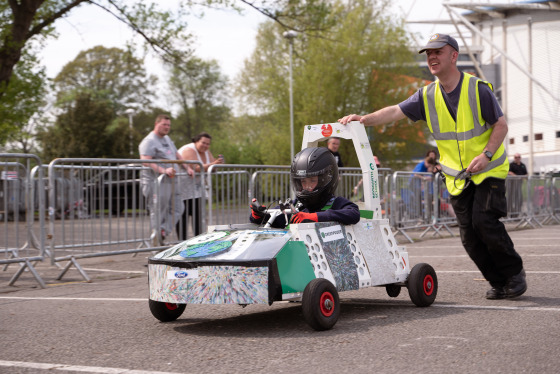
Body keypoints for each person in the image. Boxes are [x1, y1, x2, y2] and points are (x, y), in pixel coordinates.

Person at [339, 33, 526, 300]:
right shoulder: (427, 95)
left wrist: (485, 155)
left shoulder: (477, 89)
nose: (432, 57)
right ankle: (499, 282)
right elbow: (395, 111)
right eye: (428, 54)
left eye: (438, 52)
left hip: (488, 171)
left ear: (453, 56)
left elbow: (501, 125)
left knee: (484, 222)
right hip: (458, 177)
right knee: (469, 238)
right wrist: (363, 119)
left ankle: (515, 274)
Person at [250, 147, 360, 228]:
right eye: (303, 181)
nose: (307, 186)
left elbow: (353, 214)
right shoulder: (297, 206)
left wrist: (314, 217)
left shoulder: (335, 203)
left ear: (325, 180)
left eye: (312, 180)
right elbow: (273, 217)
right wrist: (259, 215)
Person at [139, 114, 193, 245]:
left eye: (168, 125)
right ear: (156, 124)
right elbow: (145, 161)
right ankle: (155, 240)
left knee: (179, 207)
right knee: (158, 211)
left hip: (171, 180)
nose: (167, 127)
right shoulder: (149, 141)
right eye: (164, 124)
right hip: (156, 181)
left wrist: (187, 167)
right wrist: (164, 171)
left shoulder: (167, 138)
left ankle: (162, 231)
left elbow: (176, 154)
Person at [176, 132, 224, 239]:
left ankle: (198, 240)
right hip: (182, 188)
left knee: (198, 216)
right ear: (196, 141)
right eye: (203, 143)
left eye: (208, 144)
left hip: (196, 189)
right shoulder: (189, 150)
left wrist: (217, 164)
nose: (205, 146)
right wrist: (213, 164)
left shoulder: (206, 151)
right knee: (183, 216)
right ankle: (181, 242)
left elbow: (212, 166)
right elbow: (196, 167)